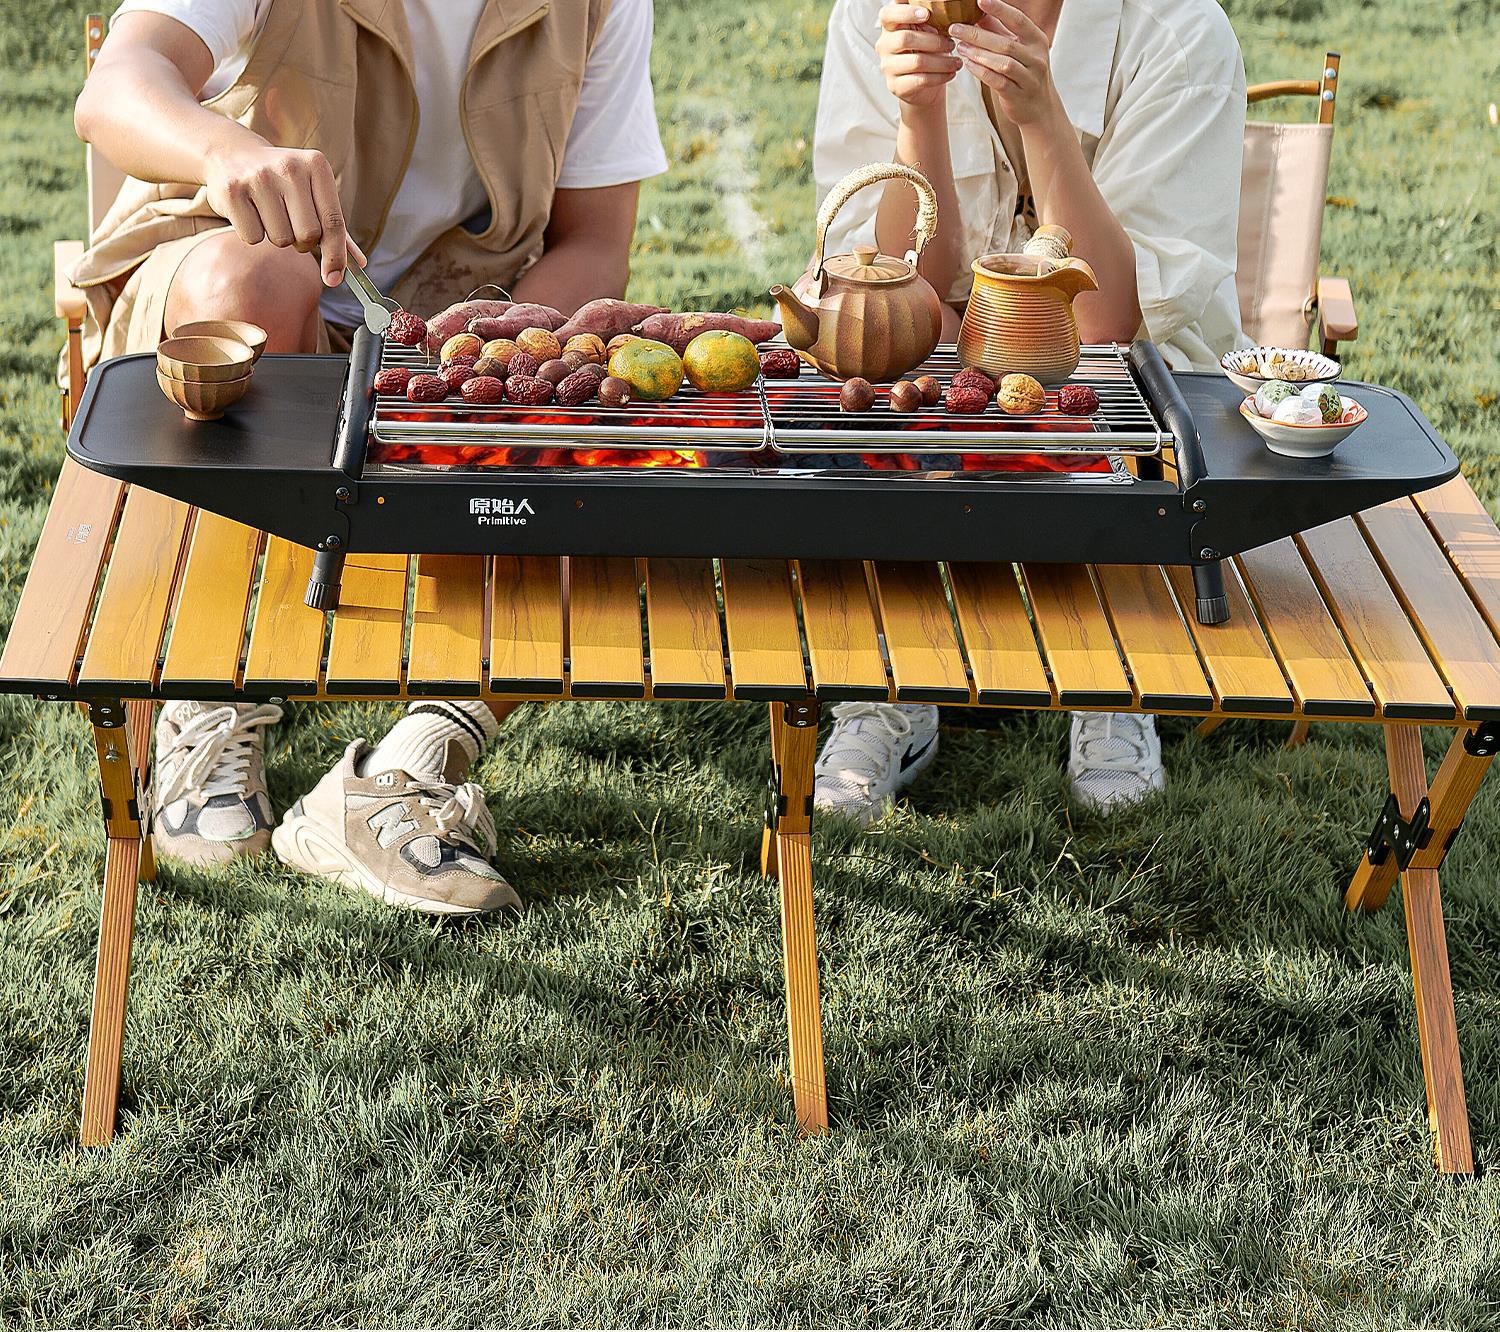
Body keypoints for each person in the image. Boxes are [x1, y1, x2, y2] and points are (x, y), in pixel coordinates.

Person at [70, 0, 668, 914]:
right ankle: (209, 693)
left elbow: (595, 239)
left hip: (453, 332)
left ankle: (403, 772)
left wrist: (495, 352)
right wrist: (225, 150)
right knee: (256, 278)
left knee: (596, 409)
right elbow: (116, 86)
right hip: (215, 299)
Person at [810, 0, 1247, 824]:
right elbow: (893, 297)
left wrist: (1043, 117)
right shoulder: (874, 16)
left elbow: (1105, 325)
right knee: (880, 369)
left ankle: (1113, 678)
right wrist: (919, 113)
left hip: (1138, 379)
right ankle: (888, 684)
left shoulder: (1180, 32)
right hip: (948, 358)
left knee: (1108, 409)